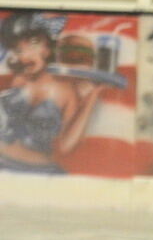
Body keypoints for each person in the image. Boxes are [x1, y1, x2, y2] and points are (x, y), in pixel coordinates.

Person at [0, 13, 105, 173]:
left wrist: (93, 96)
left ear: (49, 48)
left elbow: (66, 145)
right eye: (19, 49)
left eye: (34, 43)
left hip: (40, 173)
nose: (26, 54)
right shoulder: (18, 80)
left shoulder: (66, 91)